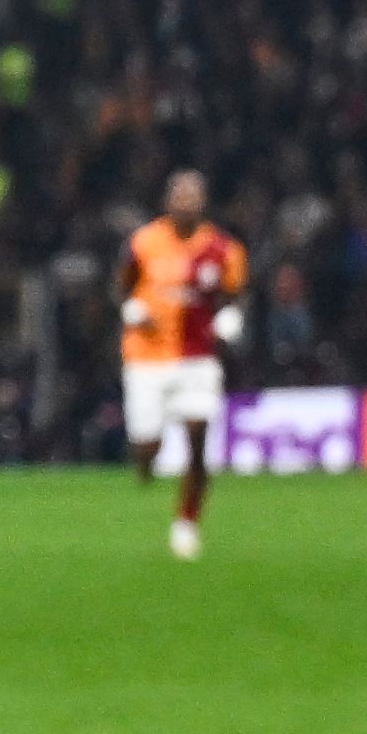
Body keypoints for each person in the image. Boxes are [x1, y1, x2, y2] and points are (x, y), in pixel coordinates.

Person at [121, 169, 247, 559]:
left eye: (192, 196)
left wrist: (231, 319)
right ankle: (145, 463)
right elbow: (121, 286)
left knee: (197, 438)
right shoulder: (144, 242)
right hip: (147, 356)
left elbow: (236, 295)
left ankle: (186, 522)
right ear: (167, 201)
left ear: (203, 203)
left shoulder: (224, 250)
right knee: (147, 444)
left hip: (198, 358)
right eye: (179, 196)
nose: (185, 203)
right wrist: (131, 307)